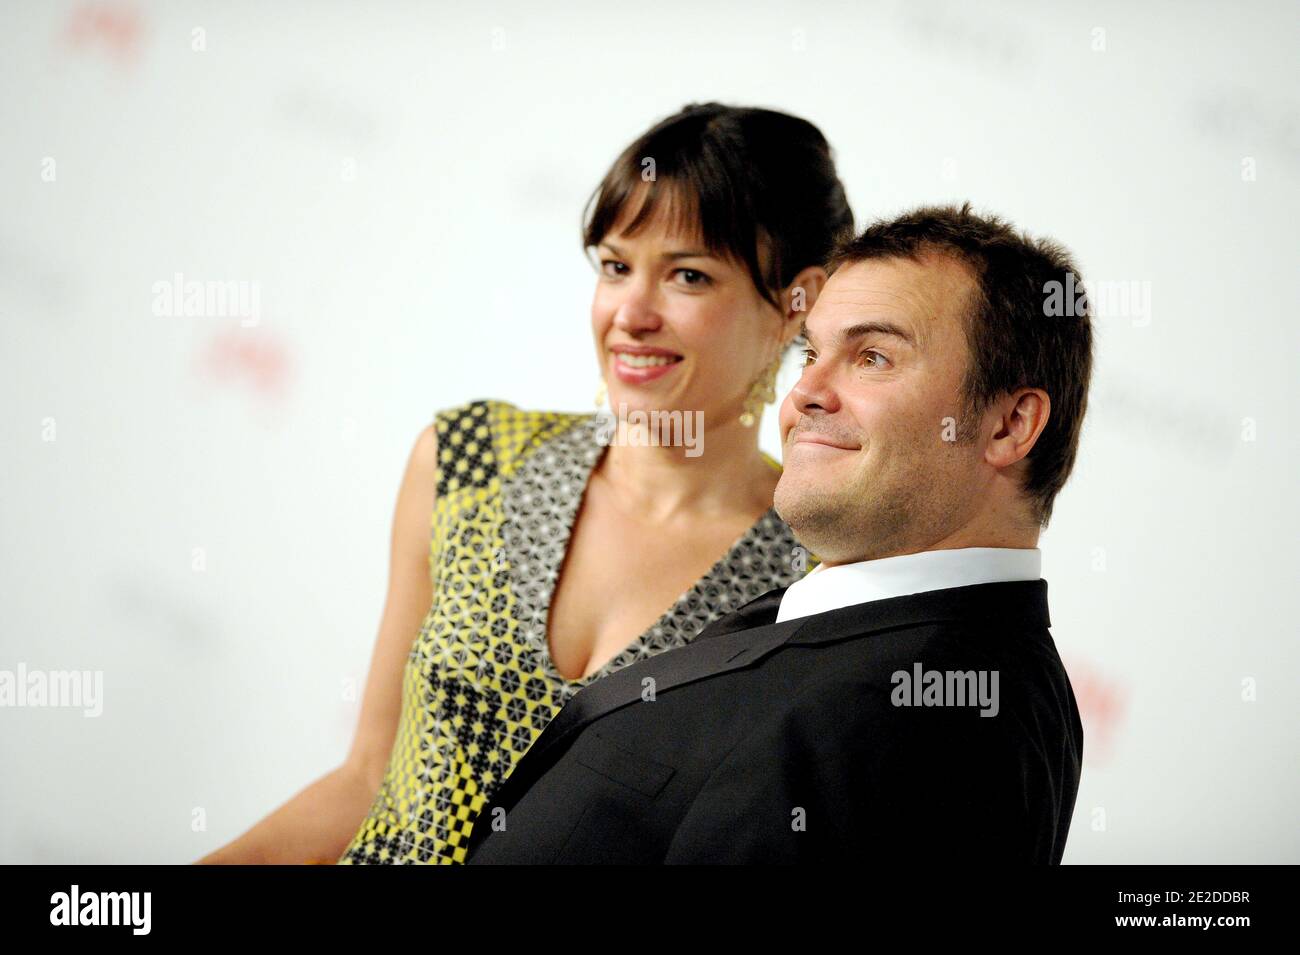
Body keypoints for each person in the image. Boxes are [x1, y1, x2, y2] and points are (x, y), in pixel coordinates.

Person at [195, 102, 855, 864]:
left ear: (796, 304)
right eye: (615, 266)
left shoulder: (813, 580)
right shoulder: (467, 458)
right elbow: (368, 777)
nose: (631, 313)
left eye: (688, 275)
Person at [463, 202, 1093, 864]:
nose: (804, 395)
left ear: (1010, 424)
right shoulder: (866, 630)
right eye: (810, 354)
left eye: (873, 356)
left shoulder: (929, 720)